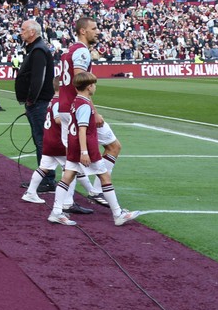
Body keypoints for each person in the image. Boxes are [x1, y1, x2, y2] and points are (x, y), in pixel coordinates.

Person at [23, 16, 99, 210]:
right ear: (83, 31)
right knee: (74, 161)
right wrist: (93, 111)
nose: (97, 31)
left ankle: (37, 194)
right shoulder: (80, 52)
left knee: (53, 163)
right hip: (72, 113)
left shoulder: (69, 52)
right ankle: (83, 196)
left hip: (63, 116)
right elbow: (80, 81)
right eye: (94, 28)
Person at [47, 71, 139, 227]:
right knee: (105, 177)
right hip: (86, 148)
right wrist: (84, 152)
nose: (95, 87)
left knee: (67, 177)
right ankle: (118, 214)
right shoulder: (84, 105)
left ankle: (55, 212)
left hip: (73, 145)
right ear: (89, 87)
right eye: (94, 85)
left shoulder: (76, 101)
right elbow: (83, 129)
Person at [15, 18, 56, 192]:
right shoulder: (35, 49)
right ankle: (44, 178)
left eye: (23, 29)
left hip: (39, 103)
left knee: (42, 141)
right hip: (37, 102)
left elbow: (37, 79)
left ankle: (47, 180)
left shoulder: (38, 50)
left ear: (32, 32)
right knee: (40, 140)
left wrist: (31, 100)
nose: (21, 32)